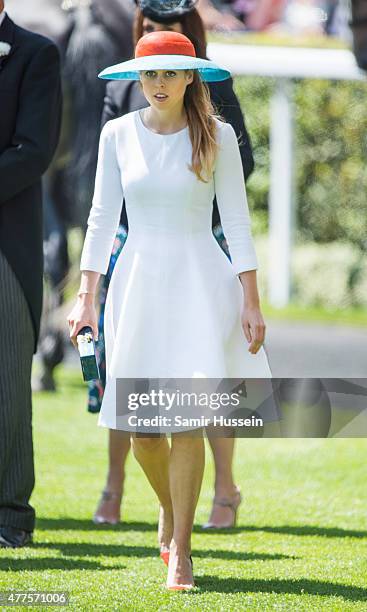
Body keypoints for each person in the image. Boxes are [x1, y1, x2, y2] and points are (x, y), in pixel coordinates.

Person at [68, 29, 271, 590]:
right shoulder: (116, 134)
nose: (158, 84)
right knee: (144, 433)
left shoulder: (218, 136)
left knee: (187, 421)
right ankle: (169, 506)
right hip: (135, 285)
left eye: (169, 73)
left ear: (190, 77)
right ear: (137, 77)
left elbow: (237, 221)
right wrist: (86, 295)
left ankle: (180, 549)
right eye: (149, 73)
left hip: (201, 286)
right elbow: (101, 217)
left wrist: (251, 300)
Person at [0, 3, 62, 547]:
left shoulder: (36, 55)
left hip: (6, 242)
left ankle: (10, 516)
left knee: (6, 383)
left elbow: (34, 151)